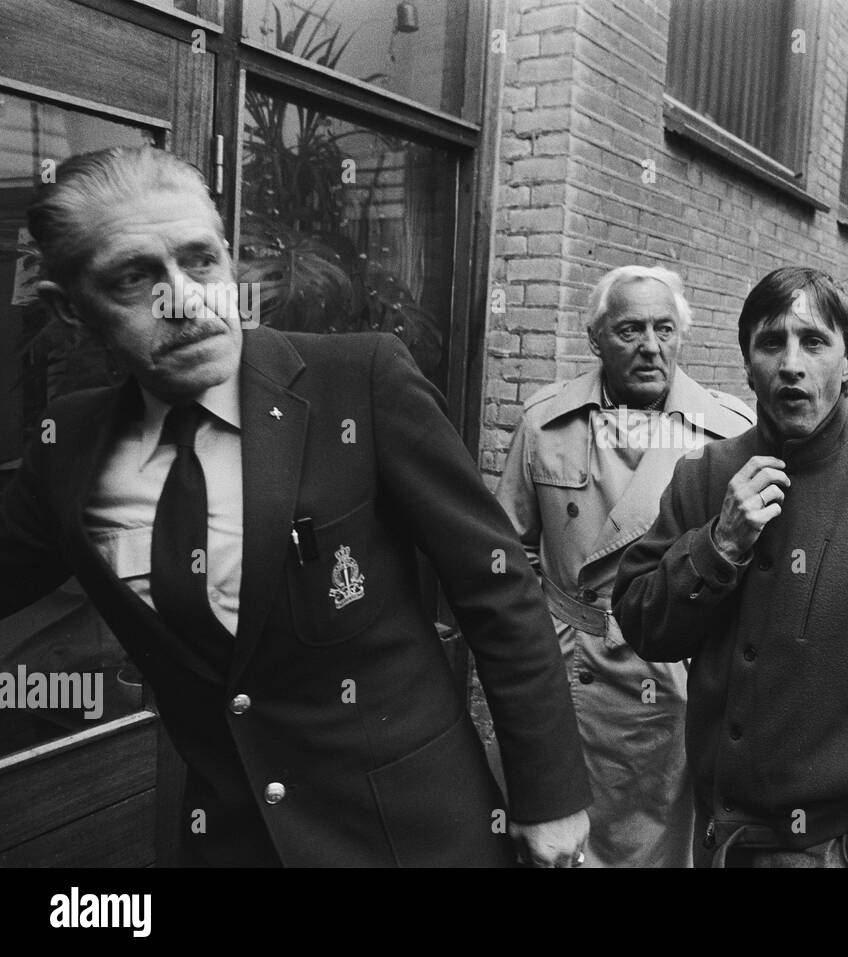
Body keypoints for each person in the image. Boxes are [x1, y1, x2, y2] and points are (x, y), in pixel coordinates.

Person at [0, 145, 591, 867]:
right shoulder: (70, 445)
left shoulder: (358, 381)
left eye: (202, 260)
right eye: (133, 278)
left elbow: (497, 589)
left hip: (414, 833)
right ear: (69, 309)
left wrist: (550, 796)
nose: (184, 300)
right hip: (238, 842)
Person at [613, 266, 848, 868]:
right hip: (717, 844)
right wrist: (719, 546)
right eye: (771, 342)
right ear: (747, 363)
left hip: (831, 849)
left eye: (814, 341)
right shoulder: (706, 476)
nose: (791, 363)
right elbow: (644, 624)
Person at [495, 265, 754, 867]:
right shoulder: (546, 421)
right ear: (595, 338)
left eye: (665, 329)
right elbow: (505, 557)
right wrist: (538, 639)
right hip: (567, 672)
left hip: (670, 675)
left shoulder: (727, 434)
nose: (650, 346)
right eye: (630, 330)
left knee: (655, 847)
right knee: (559, 843)